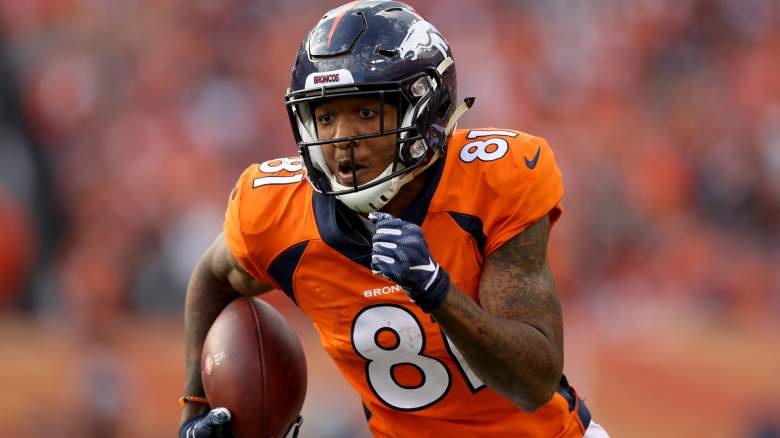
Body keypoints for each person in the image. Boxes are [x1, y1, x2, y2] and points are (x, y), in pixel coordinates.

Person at [179, 1, 609, 437]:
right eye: (325, 117)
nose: (342, 139)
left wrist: (437, 290)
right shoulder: (274, 211)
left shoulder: (495, 180)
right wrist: (195, 409)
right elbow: (213, 278)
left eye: (365, 113)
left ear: (425, 110)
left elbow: (533, 382)